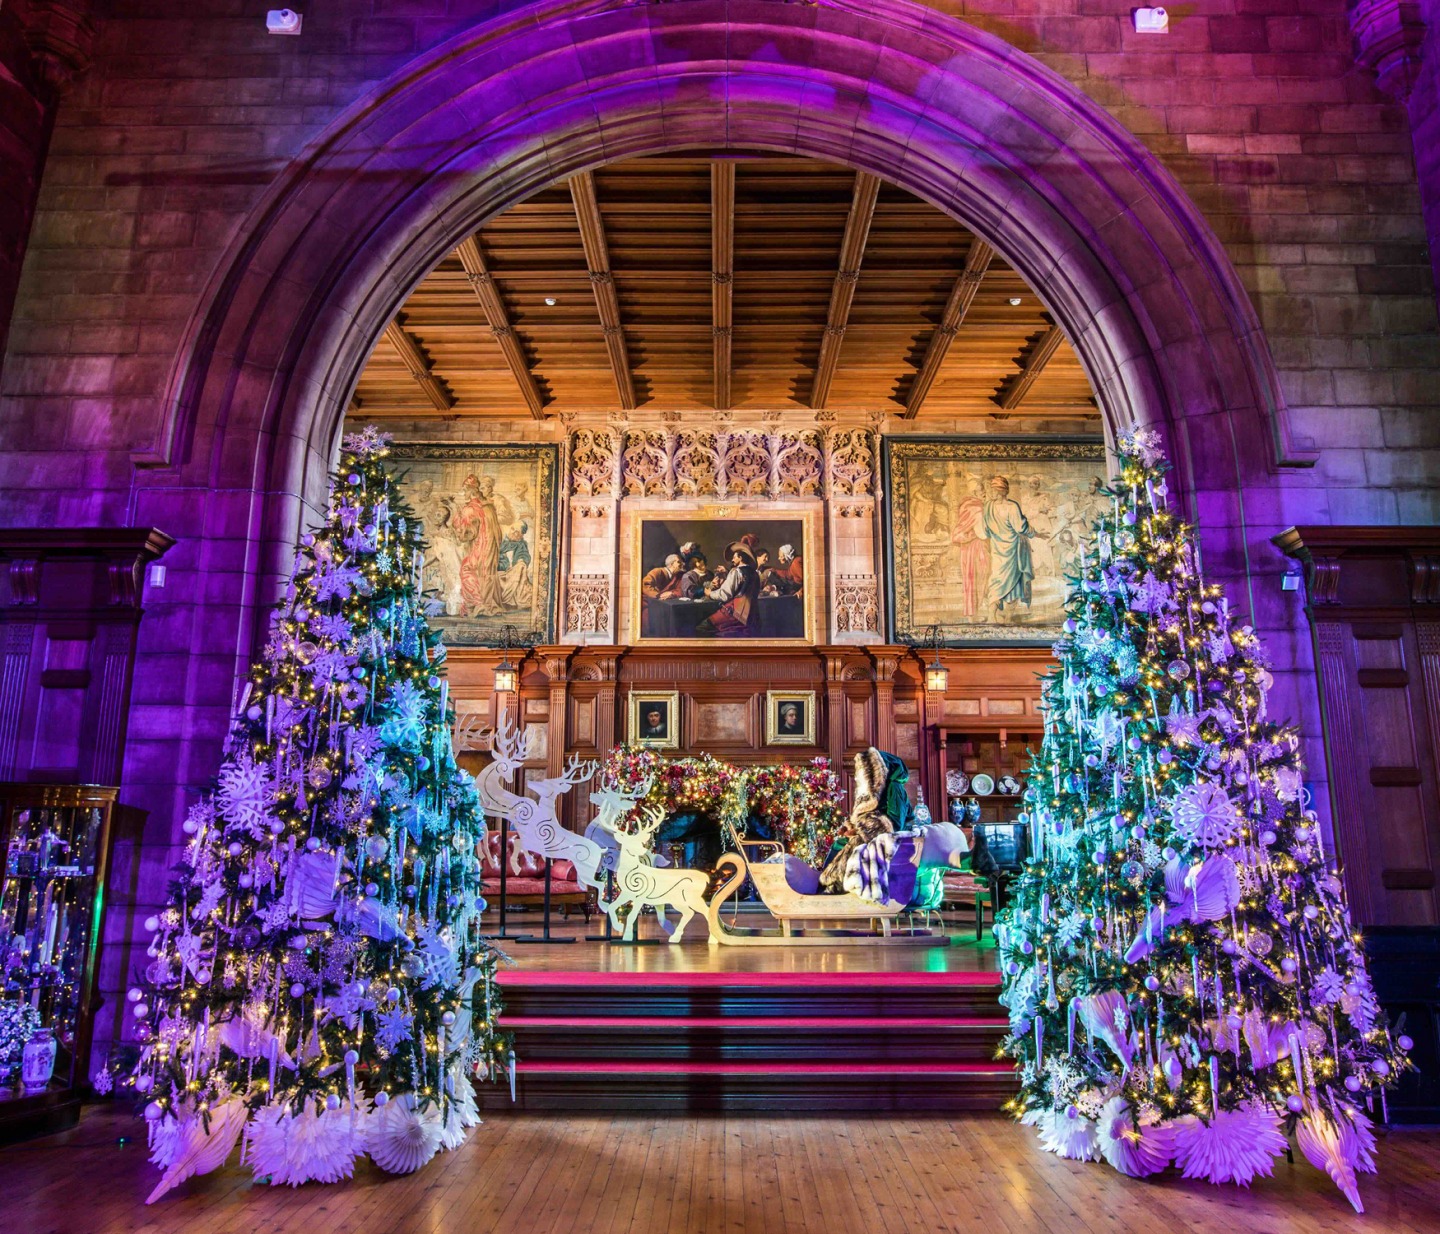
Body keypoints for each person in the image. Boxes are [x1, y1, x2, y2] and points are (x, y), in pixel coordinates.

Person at [981, 475, 1034, 617]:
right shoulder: (1012, 506)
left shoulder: (988, 507)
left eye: (993, 489)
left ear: (999, 490)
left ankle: (995, 615)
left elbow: (985, 530)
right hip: (1013, 551)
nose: (991, 492)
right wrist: (1034, 532)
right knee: (1014, 582)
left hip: (997, 549)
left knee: (997, 580)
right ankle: (1008, 617)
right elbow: (1021, 528)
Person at [452, 474, 504, 616]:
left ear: (472, 491)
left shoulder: (470, 509)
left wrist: (456, 518)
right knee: (486, 573)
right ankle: (488, 604)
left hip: (480, 547)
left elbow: (467, 534)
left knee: (466, 570)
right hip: (491, 547)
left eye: (465, 490)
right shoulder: (488, 506)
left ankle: (478, 603)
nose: (463, 493)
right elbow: (497, 532)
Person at [697, 537, 761, 637]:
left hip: (736, 613)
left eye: (734, 557)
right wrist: (727, 573)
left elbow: (725, 595)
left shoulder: (736, 571)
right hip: (752, 615)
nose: (732, 559)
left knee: (702, 628)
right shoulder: (755, 573)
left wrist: (709, 593)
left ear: (741, 558)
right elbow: (742, 585)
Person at [949, 476, 990, 618]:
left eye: (983, 489)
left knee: (971, 577)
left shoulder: (968, 506)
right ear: (974, 492)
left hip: (968, 548)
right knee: (981, 575)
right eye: (981, 490)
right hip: (977, 547)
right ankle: (977, 609)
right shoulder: (977, 508)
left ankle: (974, 610)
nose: (984, 492)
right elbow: (981, 533)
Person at [639, 553, 683, 636]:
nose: (681, 564)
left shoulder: (677, 577)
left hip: (665, 605)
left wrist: (672, 593)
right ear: (671, 564)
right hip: (649, 603)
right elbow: (645, 585)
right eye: (679, 562)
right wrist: (658, 595)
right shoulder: (658, 571)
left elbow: (680, 590)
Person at [497, 520, 532, 610]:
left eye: (517, 532)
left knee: (520, 567)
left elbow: (523, 555)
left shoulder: (521, 544)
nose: (513, 532)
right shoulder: (499, 539)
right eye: (512, 529)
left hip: (512, 572)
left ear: (521, 535)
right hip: (499, 571)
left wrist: (521, 561)